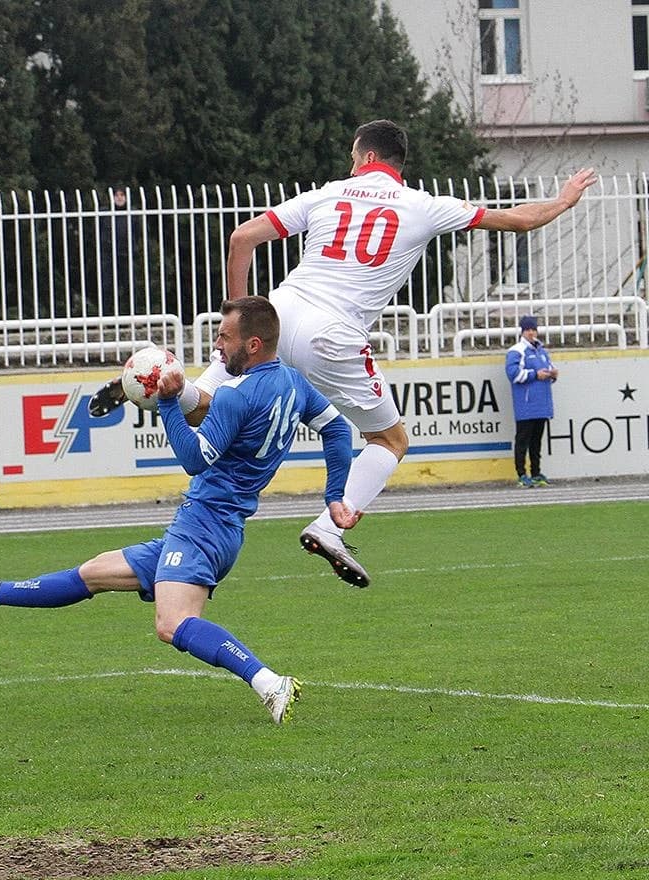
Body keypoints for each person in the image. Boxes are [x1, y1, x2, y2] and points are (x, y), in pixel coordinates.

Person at [92, 120, 596, 587]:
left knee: (207, 398)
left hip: (278, 311)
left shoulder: (328, 194)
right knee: (389, 438)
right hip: (334, 333)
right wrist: (563, 200)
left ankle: (159, 384)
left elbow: (242, 237)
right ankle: (328, 527)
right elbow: (518, 220)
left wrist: (238, 315)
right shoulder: (422, 204)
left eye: (354, 157)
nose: (351, 165)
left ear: (368, 155)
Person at [0, 297, 358, 724]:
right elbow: (335, 428)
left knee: (172, 623)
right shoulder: (293, 383)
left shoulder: (236, 396)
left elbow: (195, 458)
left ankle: (268, 682)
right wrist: (334, 495)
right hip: (214, 526)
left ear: (253, 344)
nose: (217, 346)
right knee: (93, 573)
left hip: (205, 526)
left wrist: (167, 404)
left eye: (224, 337)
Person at [505, 314, 557, 487]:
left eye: (533, 329)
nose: (531, 332)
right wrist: (535, 374)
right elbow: (513, 374)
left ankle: (536, 472)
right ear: (522, 331)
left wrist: (552, 374)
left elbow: (547, 369)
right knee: (523, 441)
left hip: (541, 404)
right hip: (526, 405)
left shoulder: (541, 350)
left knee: (537, 441)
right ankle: (521, 473)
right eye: (528, 329)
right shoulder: (517, 351)